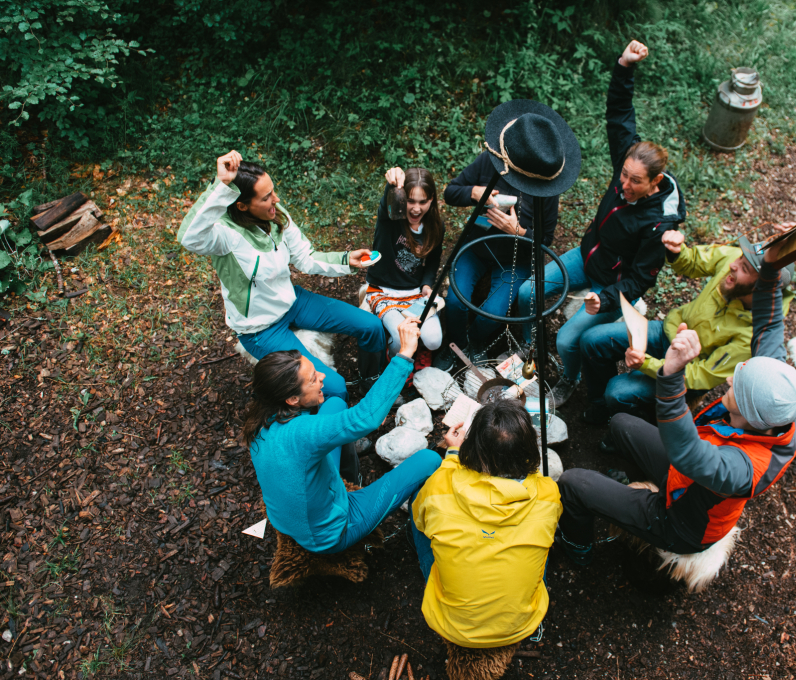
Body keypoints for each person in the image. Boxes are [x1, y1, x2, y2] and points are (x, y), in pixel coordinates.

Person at [554, 231, 796, 566]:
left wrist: (671, 375)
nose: (729, 379)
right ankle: (628, 483)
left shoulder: (743, 469)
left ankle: (576, 549)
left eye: (736, 384)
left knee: (572, 482)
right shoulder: (770, 403)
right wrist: (772, 267)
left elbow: (687, 451)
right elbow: (770, 326)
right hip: (680, 477)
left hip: (681, 522)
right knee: (622, 423)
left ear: (747, 410)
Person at [516, 40, 685, 408]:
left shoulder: (660, 225)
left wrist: (605, 298)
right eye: (622, 175)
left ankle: (570, 378)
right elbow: (619, 114)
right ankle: (530, 348)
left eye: (634, 182)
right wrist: (625, 65)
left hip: (613, 286)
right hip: (586, 255)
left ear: (655, 183)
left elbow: (641, 279)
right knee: (528, 292)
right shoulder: (630, 161)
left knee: (566, 340)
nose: (623, 185)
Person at [178, 151, 386, 402]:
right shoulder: (224, 236)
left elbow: (305, 257)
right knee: (336, 388)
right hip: (261, 328)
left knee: (371, 326)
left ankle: (370, 383)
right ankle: (333, 433)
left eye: (273, 192)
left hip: (293, 303)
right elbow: (189, 238)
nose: (276, 200)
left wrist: (345, 259)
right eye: (266, 197)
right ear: (243, 205)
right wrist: (221, 184)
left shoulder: (275, 215)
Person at [243, 316, 441, 555]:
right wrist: (406, 353)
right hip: (329, 532)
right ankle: (421, 532)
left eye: (316, 371)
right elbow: (366, 417)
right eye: (313, 379)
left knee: (335, 402)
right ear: (292, 399)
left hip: (290, 514)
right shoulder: (303, 434)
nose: (322, 378)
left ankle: (349, 475)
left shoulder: (260, 419)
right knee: (429, 460)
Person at [579, 226, 795, 429]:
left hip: (687, 371)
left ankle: (628, 431)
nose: (733, 264)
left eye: (745, 268)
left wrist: (647, 364)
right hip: (669, 333)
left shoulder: (754, 336)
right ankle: (601, 406)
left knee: (617, 393)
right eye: (740, 256)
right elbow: (691, 262)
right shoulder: (734, 262)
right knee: (592, 341)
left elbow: (701, 375)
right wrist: (676, 251)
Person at [410, 399, 561, 651]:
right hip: (522, 624)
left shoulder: (440, 487)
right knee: (538, 542)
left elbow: (420, 520)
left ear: (474, 446)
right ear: (527, 449)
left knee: (420, 511)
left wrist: (452, 456)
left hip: (451, 625)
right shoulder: (548, 494)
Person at [435, 152, 560, 370]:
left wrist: (519, 231)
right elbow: (450, 193)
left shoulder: (546, 186)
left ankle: (475, 340)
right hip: (476, 246)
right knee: (455, 302)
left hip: (516, 258)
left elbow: (546, 239)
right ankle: (456, 345)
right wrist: (474, 192)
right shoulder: (491, 161)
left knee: (494, 313)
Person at [364, 166, 445, 357]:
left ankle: (419, 350)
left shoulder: (435, 226)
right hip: (383, 290)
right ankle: (393, 359)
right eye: (410, 201)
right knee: (401, 342)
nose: (416, 208)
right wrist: (392, 183)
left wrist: (426, 283)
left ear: (431, 199)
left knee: (434, 341)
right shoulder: (391, 218)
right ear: (401, 199)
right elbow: (387, 202)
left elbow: (434, 260)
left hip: (414, 294)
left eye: (422, 201)